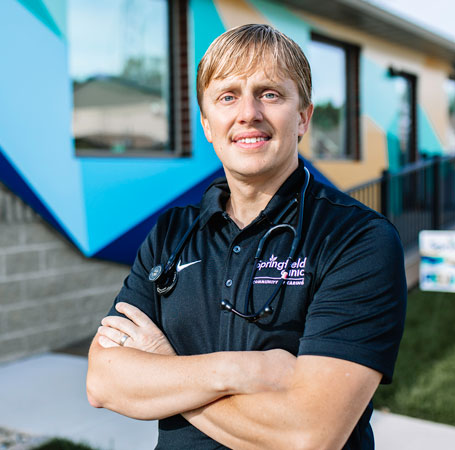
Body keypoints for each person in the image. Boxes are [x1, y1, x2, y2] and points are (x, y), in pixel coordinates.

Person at [86, 23, 406, 450]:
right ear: (206, 123)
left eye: (270, 94)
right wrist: (237, 371)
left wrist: (166, 371)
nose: (248, 113)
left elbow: (309, 434)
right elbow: (104, 381)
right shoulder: (172, 233)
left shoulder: (357, 240)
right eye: (227, 96)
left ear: (304, 117)